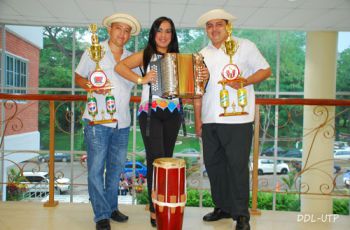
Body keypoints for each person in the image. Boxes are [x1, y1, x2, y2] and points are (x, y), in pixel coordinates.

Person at [115, 16, 208, 228]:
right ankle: (155, 208)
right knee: (155, 160)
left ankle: (165, 204)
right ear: (153, 33)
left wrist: (200, 75)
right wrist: (141, 79)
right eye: (160, 30)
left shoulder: (181, 58)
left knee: (166, 159)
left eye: (168, 31)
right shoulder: (146, 54)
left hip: (174, 113)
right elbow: (120, 67)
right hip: (151, 113)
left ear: (172, 35)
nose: (164, 35)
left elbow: (192, 88)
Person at [194, 9, 271, 230]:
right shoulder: (201, 54)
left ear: (227, 27)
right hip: (210, 119)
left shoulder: (245, 46)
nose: (214, 29)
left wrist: (245, 81)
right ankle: (222, 207)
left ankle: (241, 214)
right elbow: (198, 91)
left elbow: (265, 70)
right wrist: (198, 120)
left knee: (237, 167)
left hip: (238, 120)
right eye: (209, 25)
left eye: (218, 24)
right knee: (214, 166)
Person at [75, 13, 141, 230]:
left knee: (115, 169)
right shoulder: (94, 51)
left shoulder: (132, 57)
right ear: (109, 30)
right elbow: (78, 77)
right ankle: (101, 214)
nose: (122, 34)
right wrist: (92, 87)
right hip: (96, 121)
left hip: (122, 122)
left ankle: (112, 207)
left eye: (127, 31)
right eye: (118, 29)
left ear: (129, 35)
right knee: (96, 169)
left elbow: (149, 78)